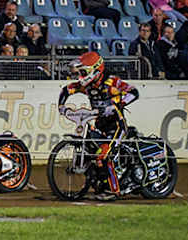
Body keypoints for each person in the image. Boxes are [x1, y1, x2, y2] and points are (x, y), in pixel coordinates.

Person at [57, 52, 139, 200]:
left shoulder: (111, 82)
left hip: (117, 125)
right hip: (100, 125)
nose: (80, 76)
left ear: (95, 70)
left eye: (83, 72)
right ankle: (101, 183)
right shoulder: (87, 86)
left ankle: (113, 191)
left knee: (104, 155)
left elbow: (134, 92)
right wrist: (61, 107)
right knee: (92, 152)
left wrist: (116, 105)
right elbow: (66, 90)